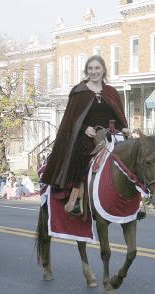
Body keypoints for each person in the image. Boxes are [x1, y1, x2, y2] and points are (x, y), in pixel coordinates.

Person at [41, 55, 128, 216]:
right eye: (91, 68)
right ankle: (75, 197)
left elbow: (119, 116)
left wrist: (124, 129)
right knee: (82, 152)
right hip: (87, 135)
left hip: (110, 134)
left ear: (103, 70)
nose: (94, 72)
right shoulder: (79, 91)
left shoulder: (111, 92)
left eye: (97, 68)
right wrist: (84, 128)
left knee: (132, 155)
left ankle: (135, 201)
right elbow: (71, 119)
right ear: (87, 71)